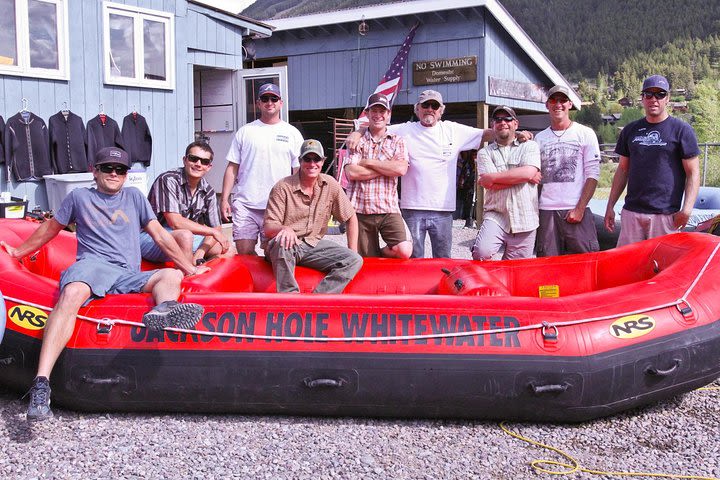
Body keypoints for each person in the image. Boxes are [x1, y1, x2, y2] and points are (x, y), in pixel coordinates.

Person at [0, 147, 209, 422]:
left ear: (125, 175)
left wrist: (189, 267)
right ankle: (41, 383)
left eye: (120, 170)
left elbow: (160, 235)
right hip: (93, 266)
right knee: (73, 291)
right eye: (107, 168)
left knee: (170, 276)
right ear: (94, 170)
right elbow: (49, 230)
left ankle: (165, 308)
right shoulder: (79, 197)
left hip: (126, 273)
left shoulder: (134, 197)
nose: (114, 174)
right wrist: (16, 253)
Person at [347, 90, 531, 258]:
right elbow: (376, 126)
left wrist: (518, 133)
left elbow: (486, 133)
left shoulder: (453, 130)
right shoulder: (404, 129)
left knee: (443, 260)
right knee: (412, 261)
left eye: (434, 106)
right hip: (412, 208)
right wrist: (357, 132)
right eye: (425, 105)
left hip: (443, 210)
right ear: (417, 109)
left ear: (441, 110)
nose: (429, 109)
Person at [604, 75, 701, 247]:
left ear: (668, 98)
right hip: (632, 213)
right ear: (642, 98)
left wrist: (686, 210)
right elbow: (622, 170)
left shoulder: (682, 131)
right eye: (648, 94)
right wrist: (610, 205)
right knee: (628, 267)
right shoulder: (630, 130)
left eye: (660, 94)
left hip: (665, 216)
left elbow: (693, 173)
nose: (654, 99)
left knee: (662, 268)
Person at [263, 139, 362, 293]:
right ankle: (289, 298)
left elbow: (350, 217)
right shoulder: (282, 187)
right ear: (300, 161)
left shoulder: (330, 185)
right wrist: (285, 229)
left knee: (354, 260)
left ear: (322, 162)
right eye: (307, 159)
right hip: (286, 246)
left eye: (316, 159)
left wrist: (353, 250)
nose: (312, 163)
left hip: (312, 245)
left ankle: (319, 299)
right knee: (282, 242)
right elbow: (268, 227)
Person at [221, 83, 304, 255]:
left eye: (274, 98)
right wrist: (224, 199)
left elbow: (298, 172)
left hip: (277, 206)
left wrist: (297, 203)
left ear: (281, 103)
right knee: (244, 253)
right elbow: (232, 168)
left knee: (274, 254)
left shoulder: (292, 133)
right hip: (246, 204)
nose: (269, 102)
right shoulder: (245, 132)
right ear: (258, 103)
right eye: (265, 99)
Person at [534, 85, 601, 256]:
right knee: (547, 266)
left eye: (563, 100)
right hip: (546, 211)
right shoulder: (539, 138)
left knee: (585, 261)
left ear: (570, 104)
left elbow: (593, 175)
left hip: (577, 209)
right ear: (547, 105)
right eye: (553, 100)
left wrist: (580, 208)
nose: (558, 104)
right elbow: (536, 177)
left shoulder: (585, 133)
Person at [344, 93, 412, 258]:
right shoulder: (356, 141)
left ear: (388, 114)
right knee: (361, 259)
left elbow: (401, 169)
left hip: (388, 207)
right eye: (374, 110)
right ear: (367, 113)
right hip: (360, 209)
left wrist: (368, 162)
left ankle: (378, 254)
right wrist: (387, 168)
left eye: (382, 111)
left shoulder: (397, 141)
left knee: (404, 250)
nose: (378, 115)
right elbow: (351, 172)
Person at [140, 141, 230, 265]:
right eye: (194, 159)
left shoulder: (208, 192)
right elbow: (175, 222)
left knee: (226, 249)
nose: (198, 164)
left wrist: (201, 252)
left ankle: (200, 276)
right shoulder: (168, 180)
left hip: (181, 238)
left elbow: (217, 228)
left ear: (209, 167)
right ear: (185, 160)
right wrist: (212, 231)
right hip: (151, 237)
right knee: (185, 236)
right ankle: (187, 277)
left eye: (204, 162)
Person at [471, 106, 541, 260]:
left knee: (517, 271)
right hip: (496, 214)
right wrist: (523, 177)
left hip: (525, 217)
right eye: (498, 119)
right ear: (492, 125)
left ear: (515, 124)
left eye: (507, 119)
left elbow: (528, 172)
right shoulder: (484, 152)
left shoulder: (530, 145)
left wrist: (494, 178)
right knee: (482, 253)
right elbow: (489, 184)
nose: (503, 122)